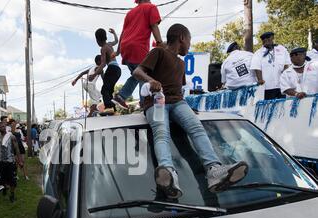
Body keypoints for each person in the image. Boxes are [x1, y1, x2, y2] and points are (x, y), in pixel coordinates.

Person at [133, 24, 249, 198]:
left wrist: (187, 105)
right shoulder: (158, 52)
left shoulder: (181, 63)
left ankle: (213, 170)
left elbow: (178, 90)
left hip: (178, 102)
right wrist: (151, 80)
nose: (189, 44)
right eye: (189, 40)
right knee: (161, 133)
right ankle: (169, 174)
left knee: (196, 128)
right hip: (157, 102)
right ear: (181, 38)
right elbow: (137, 71)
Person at [113, 0, 163, 109]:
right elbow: (154, 26)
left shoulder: (130, 13)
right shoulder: (151, 7)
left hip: (125, 47)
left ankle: (121, 95)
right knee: (144, 75)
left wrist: (118, 51)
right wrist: (159, 43)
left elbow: (123, 33)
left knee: (136, 75)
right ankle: (144, 103)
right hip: (138, 47)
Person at [250, 32, 291, 100]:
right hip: (267, 87)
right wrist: (260, 80)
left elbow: (287, 63)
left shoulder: (282, 49)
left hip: (281, 85)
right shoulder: (258, 53)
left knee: (281, 106)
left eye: (268, 38)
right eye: (263, 39)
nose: (266, 40)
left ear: (272, 38)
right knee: (268, 106)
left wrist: (285, 74)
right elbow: (257, 67)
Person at [90, 28, 121, 112]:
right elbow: (116, 41)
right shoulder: (110, 44)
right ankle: (113, 109)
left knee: (104, 90)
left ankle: (109, 107)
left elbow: (103, 64)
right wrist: (114, 33)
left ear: (97, 40)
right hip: (118, 70)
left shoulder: (103, 48)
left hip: (112, 69)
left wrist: (94, 74)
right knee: (109, 90)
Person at [0, 122, 20, 203]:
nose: (3, 128)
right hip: (1, 162)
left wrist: (19, 161)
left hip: (10, 161)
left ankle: (12, 195)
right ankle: (4, 188)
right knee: (2, 179)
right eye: (1, 127)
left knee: (12, 180)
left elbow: (17, 149)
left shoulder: (11, 136)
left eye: (4, 126)